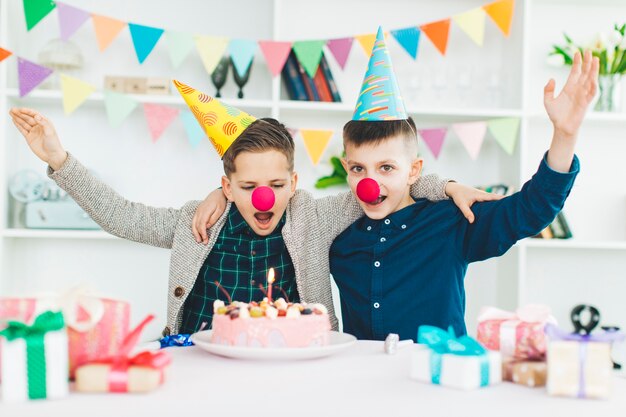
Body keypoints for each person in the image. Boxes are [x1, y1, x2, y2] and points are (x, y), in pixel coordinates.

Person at [8, 80, 496, 336]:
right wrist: (59, 160)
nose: (265, 198)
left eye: (278, 184)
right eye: (248, 186)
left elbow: (381, 181)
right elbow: (123, 216)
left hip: (292, 370)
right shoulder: (197, 221)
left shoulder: (314, 215)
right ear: (227, 184)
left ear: (295, 183)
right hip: (199, 364)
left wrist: (443, 183)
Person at [328, 28, 597, 341]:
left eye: (386, 167)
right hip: (364, 384)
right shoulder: (340, 240)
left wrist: (564, 135)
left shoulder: (451, 221)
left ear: (414, 170)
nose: (369, 183)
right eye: (359, 168)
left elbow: (531, 211)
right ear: (346, 168)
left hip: (440, 382)